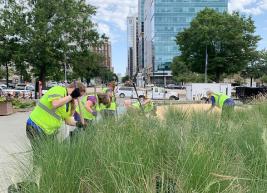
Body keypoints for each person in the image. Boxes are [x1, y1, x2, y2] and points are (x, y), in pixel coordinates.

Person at [26, 82, 86, 153]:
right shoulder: (58, 90)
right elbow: (55, 104)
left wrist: (78, 124)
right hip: (35, 126)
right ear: (74, 89)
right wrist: (71, 96)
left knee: (50, 154)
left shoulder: (69, 104)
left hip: (48, 131)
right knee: (41, 154)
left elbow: (68, 121)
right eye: (78, 95)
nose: (77, 98)